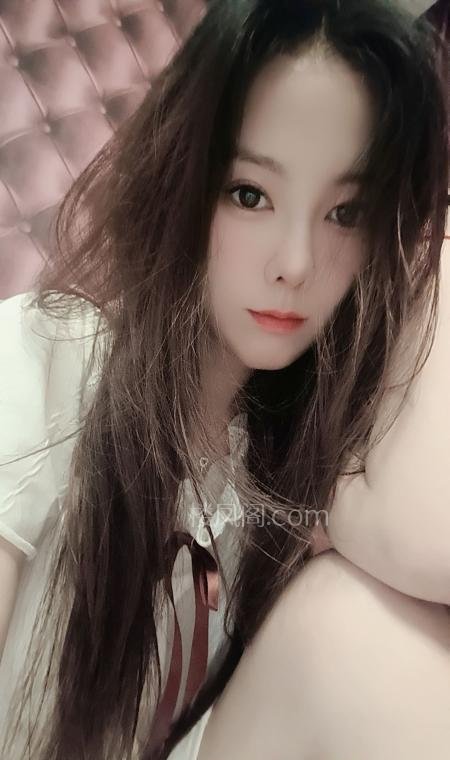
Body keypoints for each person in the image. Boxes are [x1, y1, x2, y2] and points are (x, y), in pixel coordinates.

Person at [0, 0, 448, 758]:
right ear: (183, 177)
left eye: (346, 213)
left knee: (371, 630)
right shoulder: (45, 361)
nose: (296, 264)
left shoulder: (294, 456)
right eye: (250, 194)